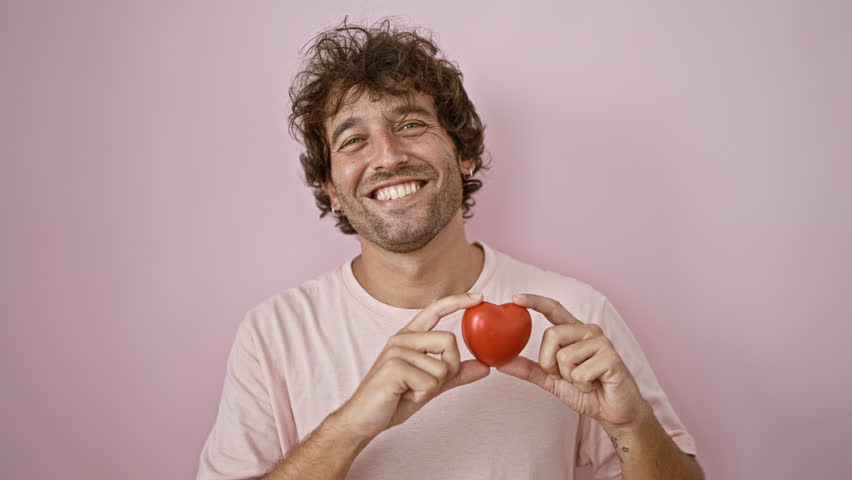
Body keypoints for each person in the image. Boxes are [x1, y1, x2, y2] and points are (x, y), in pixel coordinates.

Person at [197, 19, 704, 480]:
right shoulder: (273, 334)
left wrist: (633, 425)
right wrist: (350, 426)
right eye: (353, 141)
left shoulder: (575, 315)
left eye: (411, 125)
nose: (389, 157)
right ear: (332, 188)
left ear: (463, 154)